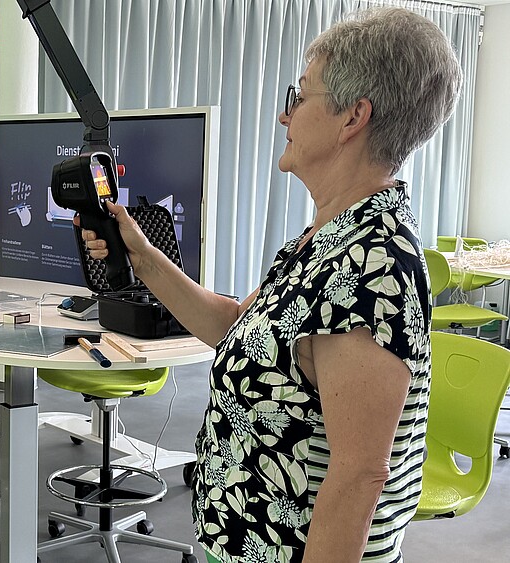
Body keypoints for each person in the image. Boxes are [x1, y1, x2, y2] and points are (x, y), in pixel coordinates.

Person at [78, 8, 459, 562]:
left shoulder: (372, 267)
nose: (285, 115)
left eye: (299, 96)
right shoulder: (331, 237)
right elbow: (237, 327)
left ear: (353, 118)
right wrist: (144, 258)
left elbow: (359, 476)